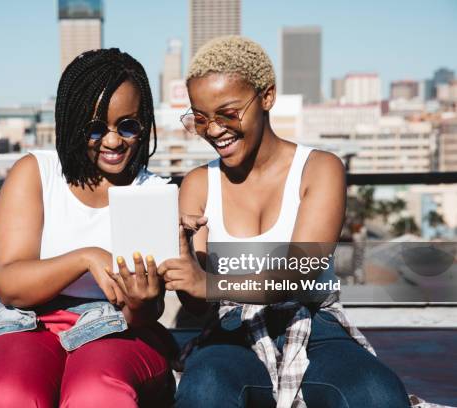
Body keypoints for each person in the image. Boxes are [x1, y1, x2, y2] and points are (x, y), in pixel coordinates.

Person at [158, 36, 410, 408]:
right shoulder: (198, 183)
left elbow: (300, 271)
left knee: (376, 393)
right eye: (200, 119)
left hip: (312, 324)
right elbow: (196, 304)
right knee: (205, 388)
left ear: (267, 97)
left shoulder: (319, 169)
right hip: (231, 331)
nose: (213, 130)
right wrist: (184, 258)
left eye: (227, 113)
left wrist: (208, 282)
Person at [0, 48, 175, 408]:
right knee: (8, 394)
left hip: (117, 328)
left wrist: (141, 300)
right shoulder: (36, 173)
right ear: (73, 124)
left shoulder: (152, 193)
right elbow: (10, 285)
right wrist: (86, 257)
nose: (114, 141)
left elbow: (145, 314)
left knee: (98, 393)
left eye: (129, 125)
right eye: (95, 128)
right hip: (25, 322)